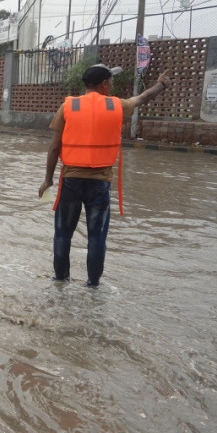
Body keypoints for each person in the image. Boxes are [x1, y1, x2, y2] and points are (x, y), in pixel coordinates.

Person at [38, 65, 171, 287]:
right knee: (96, 236)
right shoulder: (116, 105)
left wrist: (48, 179)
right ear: (104, 85)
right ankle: (93, 285)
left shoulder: (68, 106)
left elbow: (54, 148)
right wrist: (161, 85)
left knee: (62, 233)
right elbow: (142, 98)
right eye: (110, 81)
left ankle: (60, 280)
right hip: (100, 184)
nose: (112, 84)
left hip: (70, 180)